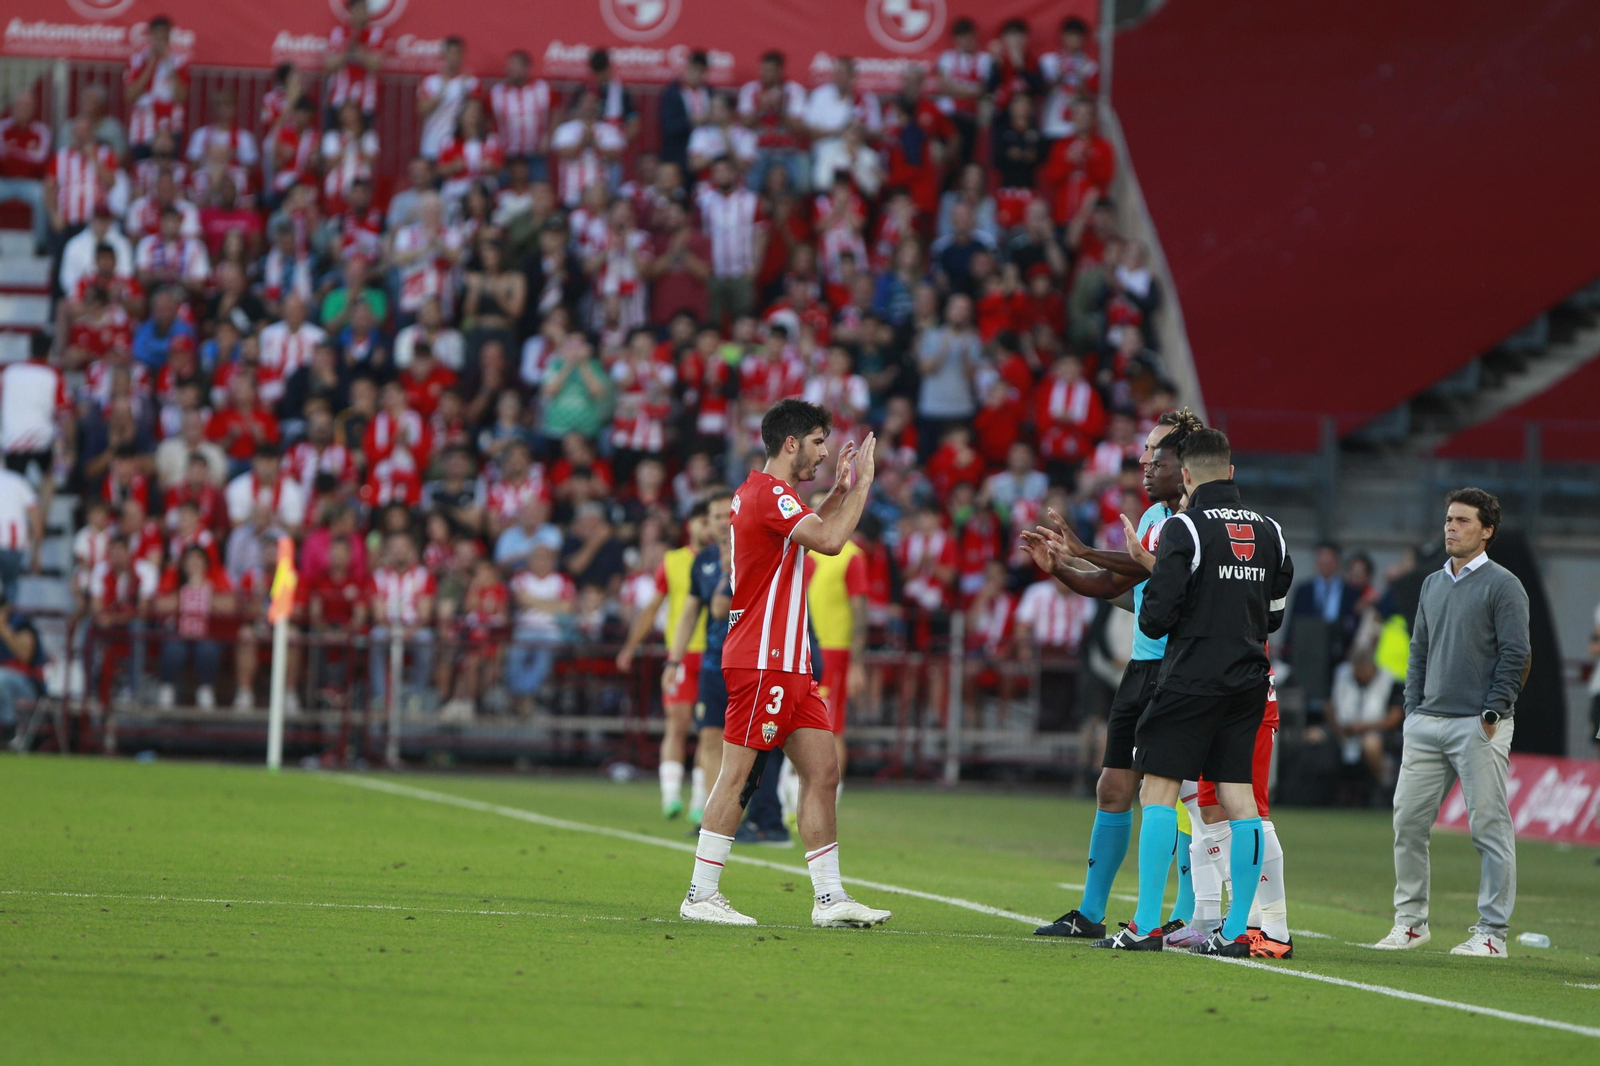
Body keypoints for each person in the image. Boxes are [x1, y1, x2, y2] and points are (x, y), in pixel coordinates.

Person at [678, 399, 889, 928]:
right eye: (818, 442)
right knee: (737, 777)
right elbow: (831, 540)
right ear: (790, 443)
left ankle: (829, 898)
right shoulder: (768, 493)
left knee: (823, 771)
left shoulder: (773, 495)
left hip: (791, 664)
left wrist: (840, 489)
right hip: (763, 661)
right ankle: (700, 894)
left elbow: (812, 523)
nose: (824, 452)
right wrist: (862, 484)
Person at [1094, 428, 1293, 956]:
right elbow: (1273, 612)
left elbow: (1156, 619)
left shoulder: (1184, 527)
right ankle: (1234, 933)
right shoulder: (1271, 530)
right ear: (1231, 471)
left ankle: (1142, 927)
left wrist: (1149, 568)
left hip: (1189, 680)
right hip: (1248, 679)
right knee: (1239, 799)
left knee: (1156, 792)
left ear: (1185, 475)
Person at [1022, 410, 1199, 943]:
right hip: (1141, 666)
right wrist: (1066, 570)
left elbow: (1155, 570)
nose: (1144, 463)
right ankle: (1090, 911)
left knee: (1178, 794)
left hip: (1181, 669)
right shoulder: (1150, 517)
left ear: (1184, 463)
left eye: (1156, 454)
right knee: (1113, 787)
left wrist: (1081, 551)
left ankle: (1187, 914)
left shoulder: (1194, 524)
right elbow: (1123, 587)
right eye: (1144, 452)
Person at [1376, 488, 1529, 957]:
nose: (1450, 527)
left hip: (1477, 725)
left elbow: (1516, 653)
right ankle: (1410, 923)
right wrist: (1412, 706)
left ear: (1487, 531)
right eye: (1448, 519)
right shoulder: (1432, 583)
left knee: (1489, 828)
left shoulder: (1504, 584)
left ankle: (1492, 933)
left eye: (1462, 521)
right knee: (1407, 823)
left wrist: (1492, 711)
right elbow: (1418, 649)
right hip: (1427, 722)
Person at [618, 498, 714, 819]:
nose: (706, 526)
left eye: (710, 520)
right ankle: (671, 796)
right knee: (678, 722)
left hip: (715, 654)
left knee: (709, 729)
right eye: (701, 520)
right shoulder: (672, 562)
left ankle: (699, 802)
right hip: (682, 654)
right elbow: (652, 607)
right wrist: (631, 646)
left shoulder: (727, 560)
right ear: (690, 525)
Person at [665, 487, 734, 826]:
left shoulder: (757, 552)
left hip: (749, 661)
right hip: (712, 661)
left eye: (727, 515)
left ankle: (759, 812)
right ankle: (713, 818)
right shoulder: (703, 561)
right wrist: (673, 661)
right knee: (709, 736)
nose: (722, 523)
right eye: (716, 517)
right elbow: (689, 614)